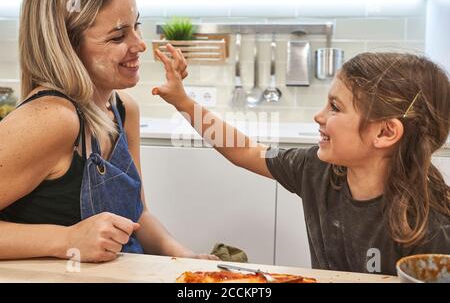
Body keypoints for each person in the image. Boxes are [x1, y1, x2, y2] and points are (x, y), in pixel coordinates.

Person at [153, 46, 450, 275]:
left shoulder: (431, 228)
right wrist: (184, 103)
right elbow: (245, 150)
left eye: (335, 107)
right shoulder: (315, 168)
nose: (319, 116)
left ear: (385, 132)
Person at [0, 0, 217, 263]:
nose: (140, 44)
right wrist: (66, 240)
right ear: (67, 46)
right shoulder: (52, 118)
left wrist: (185, 257)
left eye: (136, 26)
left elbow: (138, 214)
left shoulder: (123, 109)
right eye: (117, 37)